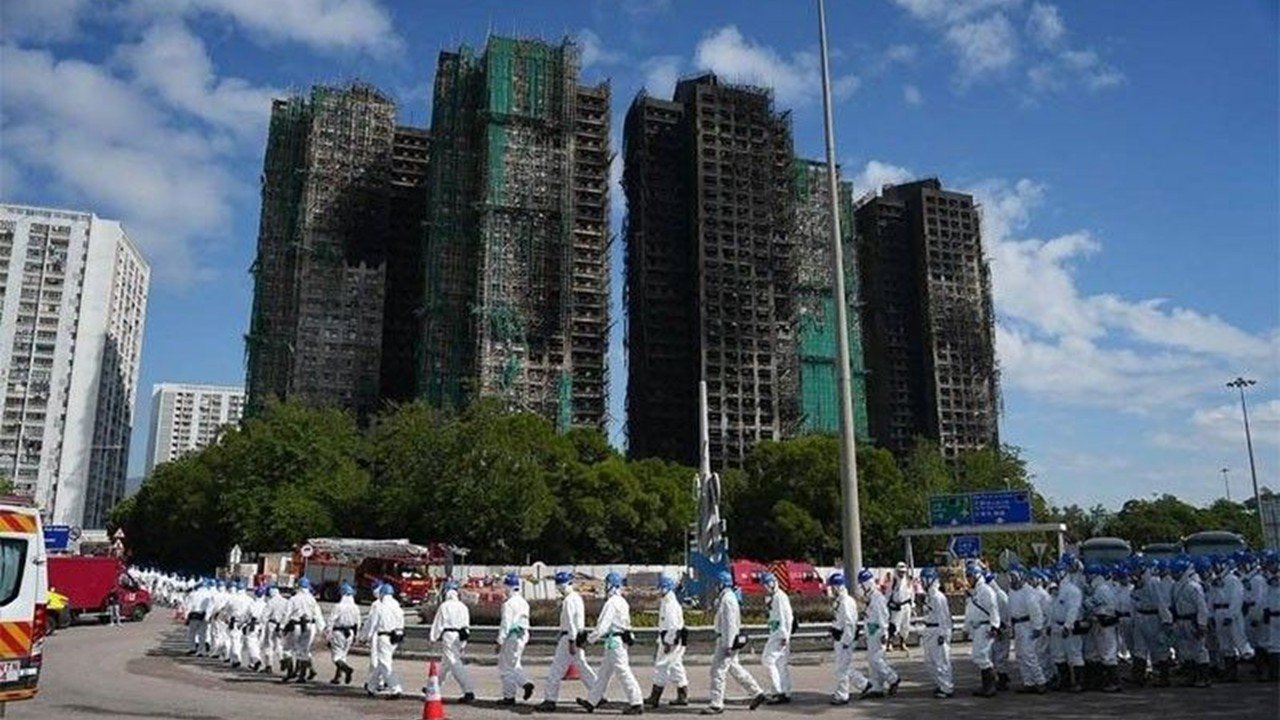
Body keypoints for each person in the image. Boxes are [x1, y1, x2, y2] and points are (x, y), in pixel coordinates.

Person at [576, 572, 644, 715]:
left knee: (623, 672)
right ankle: (592, 701)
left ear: (611, 585)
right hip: (616, 642)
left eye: (606, 585)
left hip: (615, 642)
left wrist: (589, 640)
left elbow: (602, 627)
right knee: (603, 673)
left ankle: (636, 702)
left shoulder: (611, 603)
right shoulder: (622, 602)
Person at [703, 571, 766, 715]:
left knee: (717, 671)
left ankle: (716, 704)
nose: (715, 586)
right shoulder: (727, 598)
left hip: (726, 641)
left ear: (722, 583)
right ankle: (756, 692)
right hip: (727, 639)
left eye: (717, 583)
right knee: (735, 668)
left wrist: (728, 645)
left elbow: (730, 624)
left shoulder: (727, 600)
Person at [538, 571, 597, 711]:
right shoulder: (577, 598)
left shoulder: (569, 600)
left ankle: (550, 699)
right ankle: (597, 694)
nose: (558, 588)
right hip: (577, 636)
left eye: (559, 584)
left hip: (569, 638)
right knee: (583, 667)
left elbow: (570, 622)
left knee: (556, 670)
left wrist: (571, 640)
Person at [827, 572, 871, 704]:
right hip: (841, 638)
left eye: (833, 587)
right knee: (844, 667)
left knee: (841, 668)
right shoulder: (840, 601)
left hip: (845, 639)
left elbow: (849, 623)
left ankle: (842, 695)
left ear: (839, 587)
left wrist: (846, 641)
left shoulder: (846, 602)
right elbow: (839, 620)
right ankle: (864, 684)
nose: (831, 590)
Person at [429, 579, 476, 703]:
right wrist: (463, 642)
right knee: (446, 664)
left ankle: (468, 690)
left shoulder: (445, 606)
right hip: (460, 636)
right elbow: (466, 625)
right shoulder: (463, 606)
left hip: (449, 636)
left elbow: (438, 623)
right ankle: (434, 686)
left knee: (455, 664)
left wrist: (433, 637)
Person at [858, 568, 900, 698]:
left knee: (877, 660)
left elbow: (883, 617)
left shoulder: (877, 598)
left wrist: (883, 633)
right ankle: (877, 687)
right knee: (872, 661)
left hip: (878, 632)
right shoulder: (871, 597)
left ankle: (893, 678)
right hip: (872, 632)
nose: (860, 587)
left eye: (861, 584)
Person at [649, 575, 688, 708]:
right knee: (676, 666)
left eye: (661, 588)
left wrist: (668, 643)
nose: (659, 591)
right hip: (672, 639)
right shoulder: (668, 600)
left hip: (670, 640)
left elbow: (672, 626)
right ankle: (682, 695)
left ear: (666, 588)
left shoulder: (670, 603)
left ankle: (655, 697)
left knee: (661, 666)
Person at [1006, 567, 1046, 693]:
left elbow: (1036, 610)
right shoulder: (1012, 591)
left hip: (1027, 624)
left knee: (1029, 654)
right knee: (1020, 655)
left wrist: (1037, 627)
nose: (1012, 579)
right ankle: (1028, 682)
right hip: (1017, 625)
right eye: (1011, 577)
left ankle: (1040, 681)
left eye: (1014, 576)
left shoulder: (1028, 591)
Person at [496, 573, 535, 705]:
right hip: (523, 635)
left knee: (505, 667)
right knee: (515, 664)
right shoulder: (524, 602)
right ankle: (525, 683)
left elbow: (506, 624)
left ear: (509, 587)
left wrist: (499, 641)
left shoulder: (509, 604)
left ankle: (509, 696)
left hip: (512, 636)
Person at [964, 562, 1001, 697]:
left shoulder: (986, 591)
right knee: (978, 656)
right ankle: (986, 685)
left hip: (985, 627)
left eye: (970, 576)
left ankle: (990, 686)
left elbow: (993, 609)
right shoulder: (974, 592)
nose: (968, 579)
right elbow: (970, 612)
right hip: (977, 627)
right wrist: (966, 628)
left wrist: (994, 626)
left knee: (983, 656)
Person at [363, 583, 406, 697]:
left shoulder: (380, 606)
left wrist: (367, 637)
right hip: (395, 638)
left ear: (382, 594)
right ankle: (371, 687)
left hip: (383, 637)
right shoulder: (397, 606)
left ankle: (395, 688)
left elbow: (373, 623)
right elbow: (401, 622)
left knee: (385, 663)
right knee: (382, 662)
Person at [1216, 557, 1254, 682]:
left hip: (1230, 613)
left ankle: (1234, 672)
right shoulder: (1217, 580)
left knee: (1236, 640)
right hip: (1219, 612)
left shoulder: (1233, 580)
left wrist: (1230, 615)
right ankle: (1229, 672)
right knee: (1224, 643)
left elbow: (1236, 599)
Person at [1050, 560, 1086, 692]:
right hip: (1056, 625)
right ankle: (1064, 681)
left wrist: (1068, 625)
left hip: (1068, 626)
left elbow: (1073, 609)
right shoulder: (1056, 589)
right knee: (1058, 655)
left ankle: (1079, 683)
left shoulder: (1072, 590)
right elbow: (1052, 608)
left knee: (1074, 654)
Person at [919, 567, 954, 699]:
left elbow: (944, 617)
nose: (922, 583)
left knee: (941, 661)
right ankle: (940, 684)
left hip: (937, 630)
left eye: (924, 580)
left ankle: (947, 687)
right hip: (929, 630)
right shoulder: (929, 596)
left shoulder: (939, 597)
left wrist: (943, 634)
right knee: (930, 661)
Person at [759, 572, 794, 704]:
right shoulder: (775, 597)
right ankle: (785, 691)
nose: (765, 587)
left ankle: (777, 691)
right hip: (778, 633)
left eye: (767, 584)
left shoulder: (779, 597)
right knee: (780, 664)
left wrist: (785, 635)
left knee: (767, 661)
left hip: (779, 635)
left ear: (773, 583)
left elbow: (786, 617)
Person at [284, 577, 325, 683]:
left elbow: (287, 613)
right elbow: (317, 614)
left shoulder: (294, 599)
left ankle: (290, 672)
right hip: (309, 626)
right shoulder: (312, 599)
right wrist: (321, 629)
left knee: (287, 649)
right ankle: (302, 675)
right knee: (304, 650)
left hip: (296, 626)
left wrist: (282, 626)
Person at [327, 583, 361, 685]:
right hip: (350, 633)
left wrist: (328, 633)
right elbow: (358, 623)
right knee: (343, 655)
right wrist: (356, 635)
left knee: (336, 657)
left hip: (339, 632)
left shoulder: (338, 606)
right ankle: (338, 677)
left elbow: (331, 620)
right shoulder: (355, 607)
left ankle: (347, 669)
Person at [987, 571, 1011, 690]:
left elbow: (1005, 614)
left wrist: (1003, 627)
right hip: (998, 627)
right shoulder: (994, 595)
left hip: (1002, 628)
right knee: (995, 655)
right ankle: (1001, 677)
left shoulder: (1000, 595)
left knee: (1001, 655)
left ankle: (1003, 679)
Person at [263, 585, 289, 675]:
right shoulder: (286, 601)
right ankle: (282, 660)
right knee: (279, 644)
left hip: (272, 624)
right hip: (281, 625)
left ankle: (268, 666)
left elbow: (264, 615)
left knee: (269, 645)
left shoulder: (271, 602)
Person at [887, 562, 914, 653]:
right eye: (900, 572)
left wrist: (912, 605)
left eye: (903, 572)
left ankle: (902, 643)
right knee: (894, 625)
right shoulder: (893, 581)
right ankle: (890, 643)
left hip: (906, 606)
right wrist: (887, 604)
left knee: (905, 625)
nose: (901, 574)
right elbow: (888, 593)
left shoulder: (908, 580)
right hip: (896, 606)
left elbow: (911, 593)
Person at [226, 581, 251, 668]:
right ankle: (248, 661)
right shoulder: (249, 599)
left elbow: (227, 610)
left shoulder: (233, 598)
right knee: (242, 642)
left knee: (234, 641)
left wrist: (228, 619)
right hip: (245, 623)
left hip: (235, 622)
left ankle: (236, 659)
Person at [185, 579, 211, 656]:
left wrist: (186, 617)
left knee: (192, 633)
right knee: (202, 634)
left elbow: (188, 606)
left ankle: (192, 648)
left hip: (194, 615)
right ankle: (201, 650)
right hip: (204, 615)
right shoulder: (209, 595)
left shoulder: (193, 594)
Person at [244, 585, 266, 672]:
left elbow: (246, 616)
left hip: (253, 625)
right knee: (258, 645)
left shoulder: (252, 604)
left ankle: (256, 660)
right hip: (263, 626)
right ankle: (252, 663)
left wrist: (242, 624)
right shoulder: (265, 604)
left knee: (251, 644)